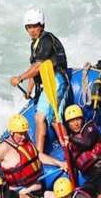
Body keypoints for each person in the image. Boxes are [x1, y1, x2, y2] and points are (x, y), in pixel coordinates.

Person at [9, 8, 68, 153]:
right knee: (54, 119)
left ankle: (39, 153)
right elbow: (35, 70)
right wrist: (29, 90)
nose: (32, 30)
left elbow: (38, 67)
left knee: (40, 117)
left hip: (56, 80)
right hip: (47, 81)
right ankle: (65, 144)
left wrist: (20, 77)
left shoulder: (46, 40)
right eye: (29, 27)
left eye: (35, 26)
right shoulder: (34, 44)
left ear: (42, 25)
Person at [0, 114, 66, 198]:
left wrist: (60, 163)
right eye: (20, 134)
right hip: (22, 197)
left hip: (38, 190)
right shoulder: (3, 148)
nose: (24, 136)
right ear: (12, 132)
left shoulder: (25, 139)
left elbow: (37, 156)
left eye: (25, 133)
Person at [63, 104, 101, 198]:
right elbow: (74, 169)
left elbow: (87, 142)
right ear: (68, 124)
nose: (75, 123)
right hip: (90, 178)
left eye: (78, 119)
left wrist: (70, 139)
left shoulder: (90, 127)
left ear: (82, 119)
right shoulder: (70, 146)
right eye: (72, 121)